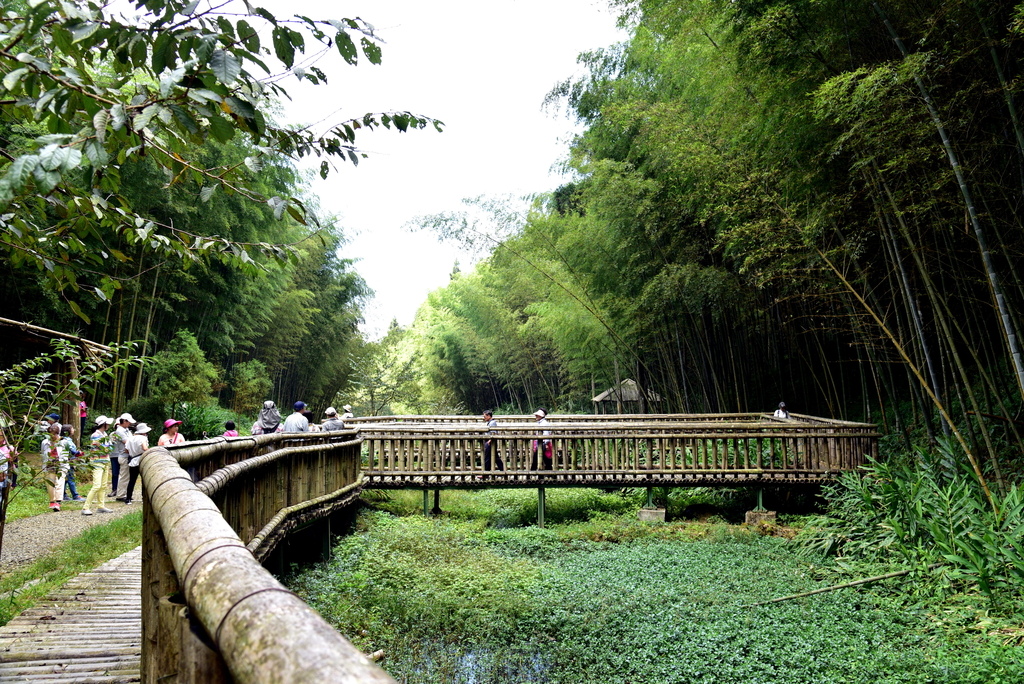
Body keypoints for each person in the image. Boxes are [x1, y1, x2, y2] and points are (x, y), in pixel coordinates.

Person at [41, 422, 79, 511]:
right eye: (50, 435)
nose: (52, 436)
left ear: (57, 434)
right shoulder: (45, 442)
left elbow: (69, 453)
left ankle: (58, 502)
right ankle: (52, 501)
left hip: (61, 464)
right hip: (49, 464)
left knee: (60, 482)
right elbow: (43, 453)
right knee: (50, 483)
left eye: (54, 434)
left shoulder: (64, 442)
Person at [82, 416, 115, 516]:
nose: (109, 425)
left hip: (105, 461)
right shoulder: (95, 435)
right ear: (103, 424)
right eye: (107, 424)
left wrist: (109, 446)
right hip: (97, 462)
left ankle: (101, 506)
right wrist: (109, 445)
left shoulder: (104, 434)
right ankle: (85, 507)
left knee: (103, 485)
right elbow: (105, 449)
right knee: (96, 485)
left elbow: (109, 448)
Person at [123, 422, 151, 505]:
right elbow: (144, 448)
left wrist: (133, 452)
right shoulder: (143, 438)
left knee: (132, 480)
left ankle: (128, 499)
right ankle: (144, 498)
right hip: (142, 460)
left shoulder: (130, 438)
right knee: (144, 480)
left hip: (132, 461)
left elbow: (126, 450)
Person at [112, 413, 135, 501]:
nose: (130, 424)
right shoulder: (120, 431)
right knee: (124, 476)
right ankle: (121, 495)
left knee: (127, 476)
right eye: (128, 422)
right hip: (123, 456)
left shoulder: (126, 430)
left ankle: (125, 494)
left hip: (128, 455)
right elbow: (128, 441)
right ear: (124, 421)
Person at [60, 424, 84, 501]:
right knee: (71, 478)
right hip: (69, 462)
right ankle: (75, 495)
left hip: (65, 461)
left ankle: (63, 495)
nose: (74, 430)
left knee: (66, 479)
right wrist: (79, 453)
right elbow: (72, 451)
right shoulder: (67, 441)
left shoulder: (63, 439)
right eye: (72, 428)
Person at [0, 427, 17, 495]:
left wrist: (13, 482)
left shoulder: (9, 449)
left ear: (5, 437)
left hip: (3, 480)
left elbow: (15, 466)